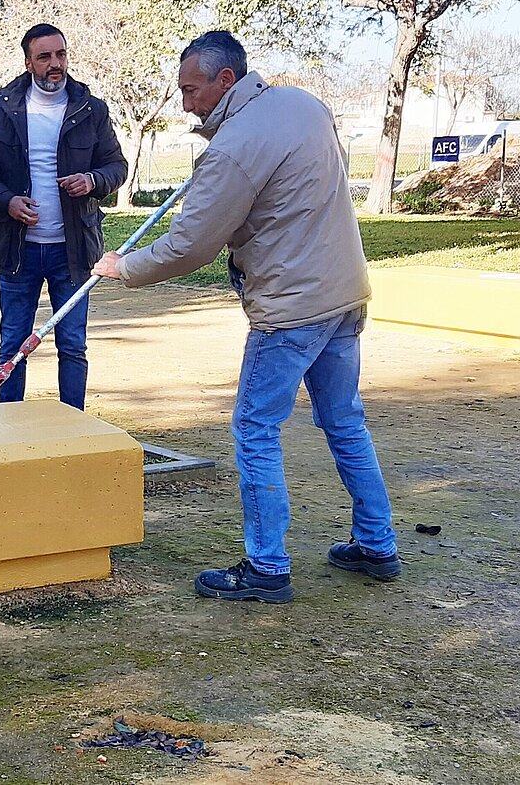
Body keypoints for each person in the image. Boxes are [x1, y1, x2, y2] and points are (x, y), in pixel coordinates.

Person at [92, 31, 399, 603]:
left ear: (224, 80)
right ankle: (377, 544)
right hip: (344, 292)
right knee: (344, 420)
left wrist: (123, 267)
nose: (185, 102)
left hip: (291, 308)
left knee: (255, 427)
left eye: (191, 90)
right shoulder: (302, 104)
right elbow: (280, 199)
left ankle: (266, 566)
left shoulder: (232, 148)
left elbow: (190, 247)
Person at [0, 24, 127, 410]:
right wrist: (7, 202)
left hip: (73, 252)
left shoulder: (91, 109)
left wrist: (92, 180)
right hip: (17, 251)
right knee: (13, 344)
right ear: (28, 62)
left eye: (61, 55)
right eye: (45, 57)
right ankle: (9, 425)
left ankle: (73, 426)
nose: (55, 65)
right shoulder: (2, 108)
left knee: (72, 344)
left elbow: (116, 166)